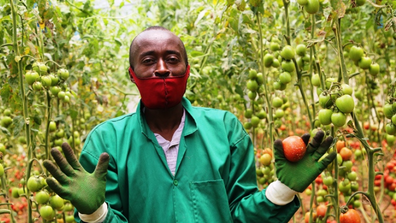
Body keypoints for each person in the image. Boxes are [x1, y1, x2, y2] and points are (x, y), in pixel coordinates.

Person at [43, 26, 336, 223]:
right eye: (149, 60)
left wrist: (282, 189)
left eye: (172, 59)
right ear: (132, 74)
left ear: (187, 70)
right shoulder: (106, 143)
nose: (161, 69)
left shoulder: (225, 130)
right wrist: (95, 213)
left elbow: (239, 215)